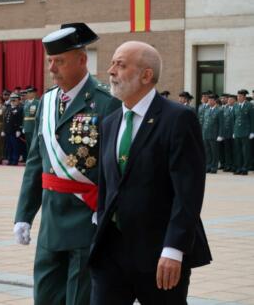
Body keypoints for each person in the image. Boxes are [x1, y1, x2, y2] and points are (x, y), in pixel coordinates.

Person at [89, 41, 212, 305]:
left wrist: (174, 249)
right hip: (111, 251)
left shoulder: (178, 118)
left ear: (146, 75)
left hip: (158, 254)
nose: (111, 71)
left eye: (120, 65)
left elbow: (187, 193)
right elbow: (107, 184)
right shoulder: (110, 122)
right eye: (112, 63)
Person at [13, 22, 120, 304]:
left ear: (82, 60)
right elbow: (36, 163)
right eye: (50, 61)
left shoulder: (106, 103)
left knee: (80, 298)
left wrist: (108, 211)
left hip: (87, 219)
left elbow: (116, 167)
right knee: (46, 295)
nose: (52, 69)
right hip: (51, 220)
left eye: (59, 61)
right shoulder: (46, 103)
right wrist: (24, 214)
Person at [233, 89, 253, 175]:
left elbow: (252, 119)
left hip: (246, 131)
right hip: (237, 131)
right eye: (238, 96)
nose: (238, 97)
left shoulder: (249, 106)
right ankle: (239, 167)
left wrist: (252, 132)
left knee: (245, 151)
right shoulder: (236, 105)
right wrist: (234, 131)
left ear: (244, 97)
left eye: (240, 96)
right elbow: (234, 119)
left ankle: (245, 168)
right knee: (238, 151)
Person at [202, 94, 222, 173]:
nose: (209, 101)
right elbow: (204, 122)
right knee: (207, 151)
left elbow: (221, 124)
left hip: (214, 134)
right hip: (206, 134)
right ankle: (208, 165)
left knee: (214, 152)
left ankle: (214, 167)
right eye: (209, 100)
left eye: (211, 100)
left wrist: (220, 135)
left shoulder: (219, 110)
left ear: (215, 101)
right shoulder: (207, 110)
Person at [4, 94, 23, 165]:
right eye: (12, 100)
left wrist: (19, 130)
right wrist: (3, 130)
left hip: (14, 130)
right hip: (8, 130)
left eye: (14, 100)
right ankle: (10, 159)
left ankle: (15, 160)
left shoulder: (20, 109)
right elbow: (5, 120)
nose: (13, 102)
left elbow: (20, 120)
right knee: (9, 146)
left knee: (15, 146)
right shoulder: (8, 108)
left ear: (18, 101)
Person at [23, 87, 40, 160]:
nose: (28, 94)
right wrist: (23, 126)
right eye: (27, 93)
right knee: (28, 143)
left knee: (34, 143)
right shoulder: (25, 103)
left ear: (34, 93)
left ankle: (35, 158)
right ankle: (29, 157)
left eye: (30, 93)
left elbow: (39, 115)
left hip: (33, 125)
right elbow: (23, 116)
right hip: (27, 125)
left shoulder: (37, 102)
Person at [220, 94, 235, 172]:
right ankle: (227, 165)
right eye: (228, 100)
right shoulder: (225, 109)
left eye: (230, 100)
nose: (229, 101)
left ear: (234, 101)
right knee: (227, 150)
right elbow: (223, 122)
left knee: (234, 150)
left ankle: (233, 165)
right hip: (226, 133)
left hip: (233, 133)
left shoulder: (236, 108)